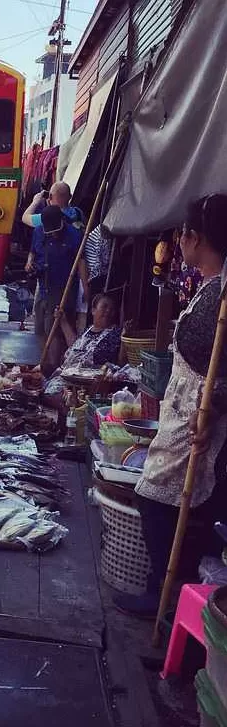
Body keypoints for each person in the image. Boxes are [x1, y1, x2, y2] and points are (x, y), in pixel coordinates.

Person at [114, 194, 227, 618]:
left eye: (182, 234)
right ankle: (166, 589)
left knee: (156, 494)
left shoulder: (221, 296)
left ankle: (166, 594)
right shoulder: (211, 287)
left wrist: (213, 407)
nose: (178, 241)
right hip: (184, 409)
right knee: (171, 496)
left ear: (195, 239)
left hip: (198, 418)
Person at [29, 204, 89, 369]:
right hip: (43, 285)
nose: (53, 234)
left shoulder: (74, 235)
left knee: (55, 328)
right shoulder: (39, 231)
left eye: (55, 231)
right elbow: (33, 250)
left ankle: (54, 366)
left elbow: (81, 262)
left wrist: (85, 285)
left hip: (64, 287)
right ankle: (44, 362)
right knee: (41, 326)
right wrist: (30, 263)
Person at [43, 293, 122, 401]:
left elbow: (118, 362)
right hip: (68, 376)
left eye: (112, 309)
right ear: (93, 310)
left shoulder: (116, 333)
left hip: (89, 382)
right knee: (45, 390)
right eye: (104, 307)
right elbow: (75, 346)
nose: (108, 311)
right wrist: (63, 320)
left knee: (55, 396)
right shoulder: (88, 329)